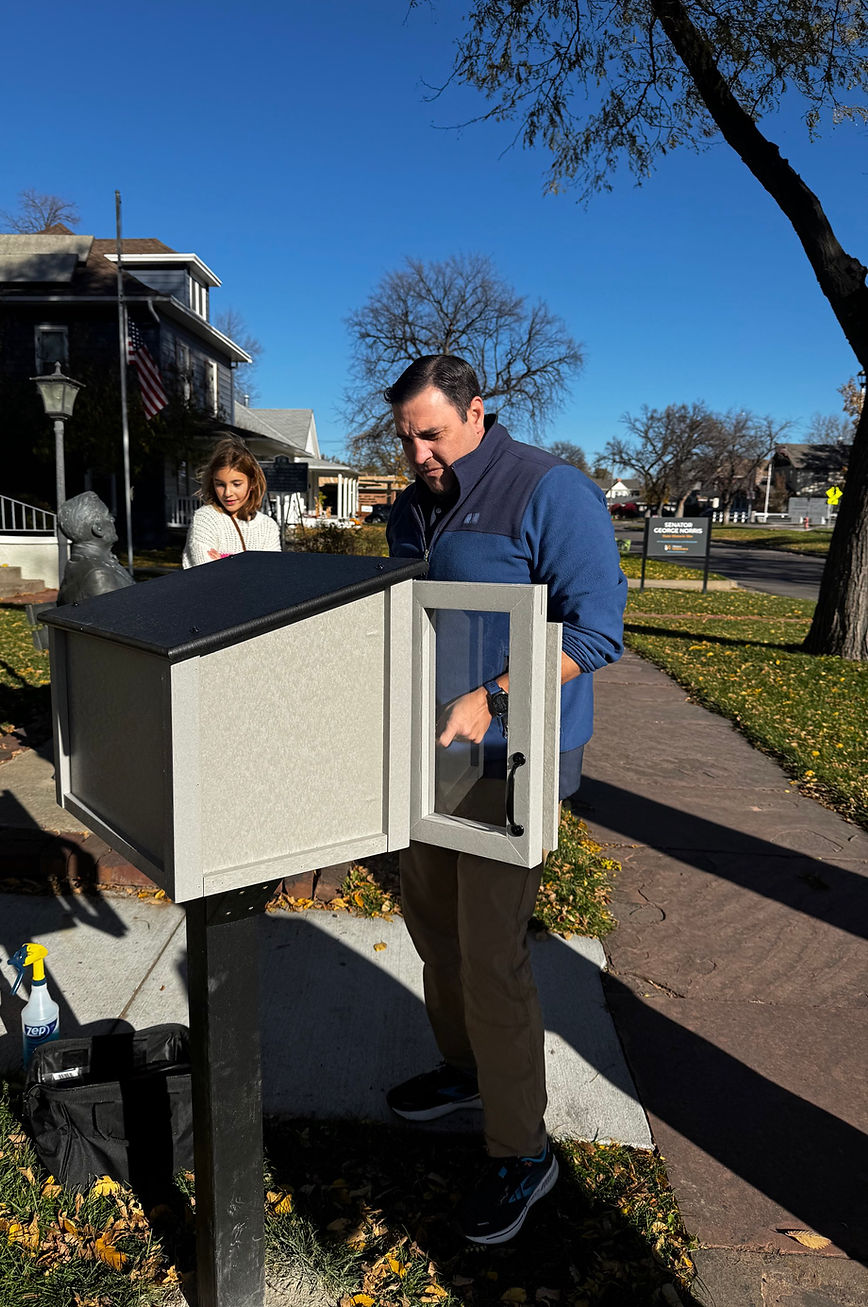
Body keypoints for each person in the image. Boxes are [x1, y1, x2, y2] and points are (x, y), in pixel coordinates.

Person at [384, 355, 626, 1246]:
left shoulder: (549, 491)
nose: (419, 454)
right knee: (433, 928)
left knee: (491, 955)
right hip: (429, 754)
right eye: (407, 438)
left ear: (478, 411)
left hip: (512, 761)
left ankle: (523, 1150)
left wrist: (492, 695)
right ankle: (465, 1068)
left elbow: (597, 631)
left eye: (433, 434)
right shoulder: (410, 506)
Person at [182, 436, 281, 567]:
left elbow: (272, 572)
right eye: (220, 484)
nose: (227, 493)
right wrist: (253, 566)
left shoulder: (268, 527)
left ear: (252, 483)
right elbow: (207, 571)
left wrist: (224, 561)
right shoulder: (206, 519)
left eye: (236, 484)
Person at [57, 491, 135, 605]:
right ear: (98, 529)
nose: (112, 519)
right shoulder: (99, 575)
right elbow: (121, 613)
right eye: (107, 516)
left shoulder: (85, 562)